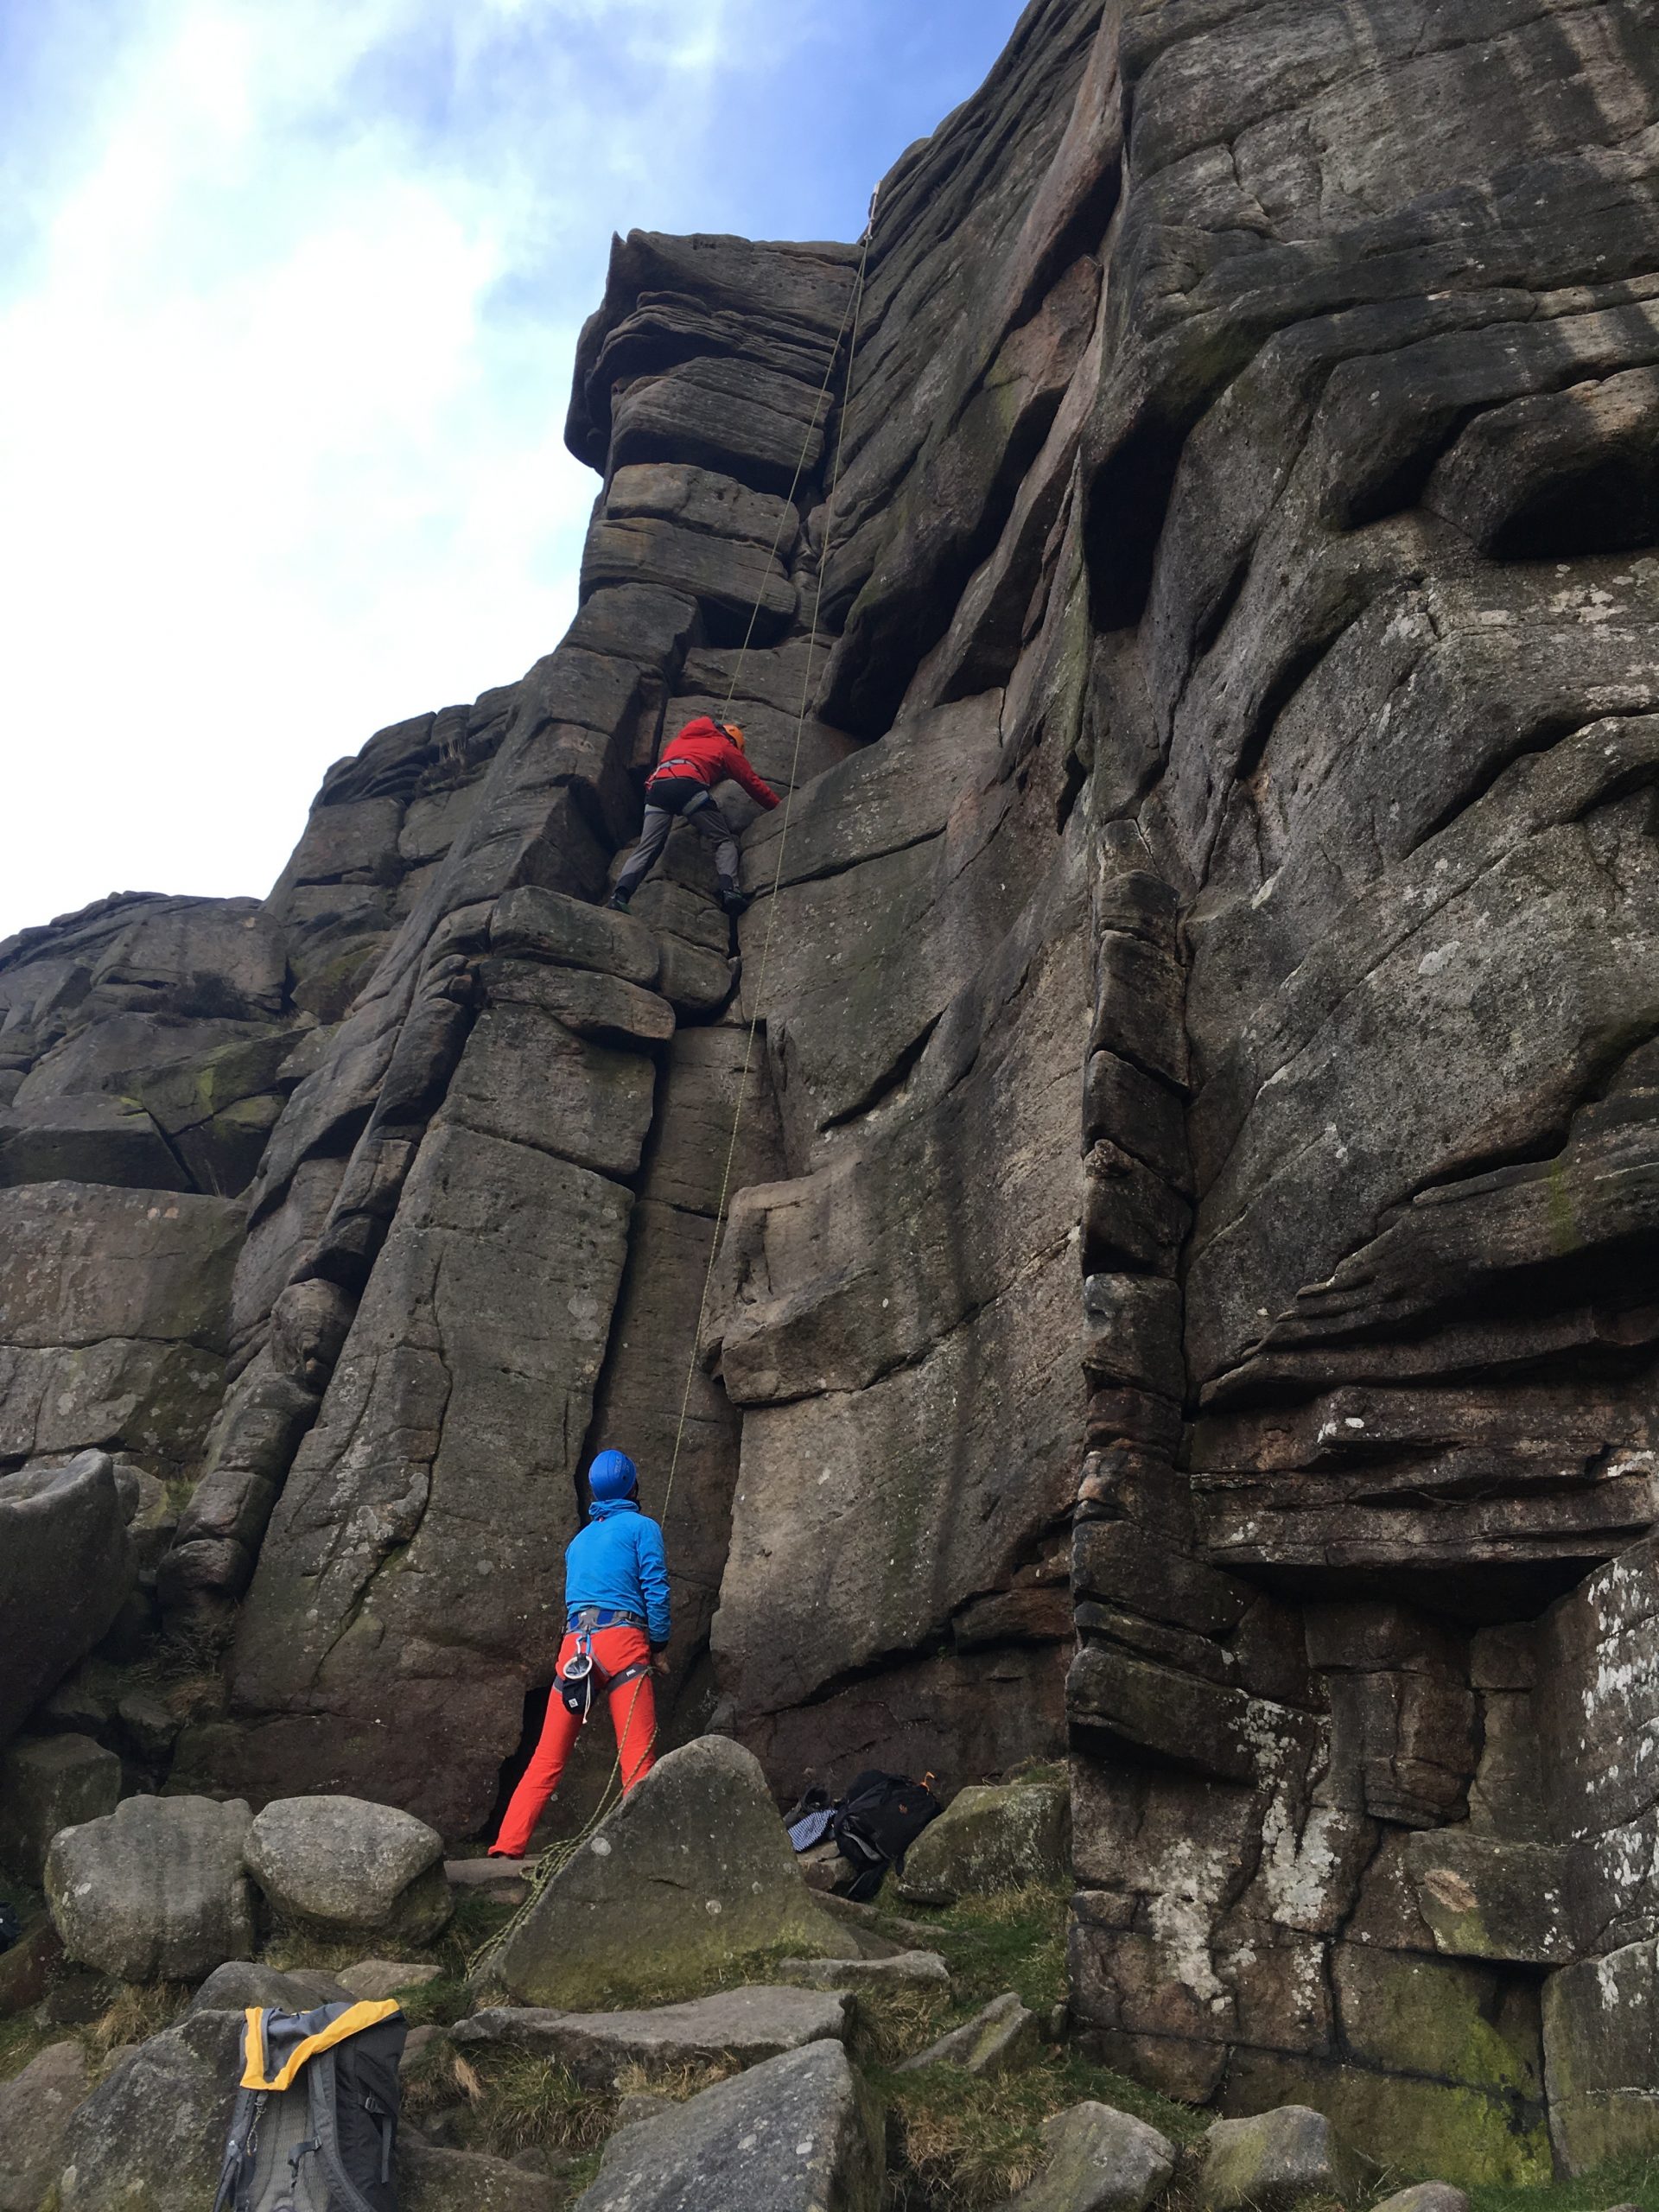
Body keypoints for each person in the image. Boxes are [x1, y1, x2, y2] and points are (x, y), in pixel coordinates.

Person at [488, 1448, 671, 1859]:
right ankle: (641, 1853)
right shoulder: (642, 1528)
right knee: (637, 1757)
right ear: (633, 1486)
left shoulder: (578, 1542)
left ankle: (507, 1845)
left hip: (576, 1649)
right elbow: (656, 1591)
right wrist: (658, 1646)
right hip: (623, 1644)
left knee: (546, 1758)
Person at [607, 716, 780, 916]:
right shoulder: (725, 746)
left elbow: (693, 760)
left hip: (657, 789)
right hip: (687, 787)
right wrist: (779, 807)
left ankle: (619, 897)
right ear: (734, 742)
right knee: (723, 841)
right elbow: (751, 782)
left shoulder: (680, 740)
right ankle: (730, 891)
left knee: (647, 847)